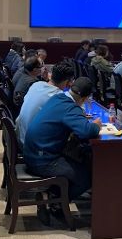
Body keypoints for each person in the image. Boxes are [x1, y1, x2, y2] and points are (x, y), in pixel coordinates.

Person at [24, 77, 101, 215]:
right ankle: (55, 201)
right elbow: (87, 131)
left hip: (32, 152)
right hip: (43, 160)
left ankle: (51, 195)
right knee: (87, 177)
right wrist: (96, 125)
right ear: (84, 98)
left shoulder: (58, 98)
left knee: (80, 158)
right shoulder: (70, 108)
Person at [16, 61, 74, 147]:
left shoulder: (36, 85)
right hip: (34, 148)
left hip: (20, 138)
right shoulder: (60, 97)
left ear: (52, 75)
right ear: (68, 81)